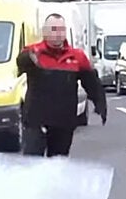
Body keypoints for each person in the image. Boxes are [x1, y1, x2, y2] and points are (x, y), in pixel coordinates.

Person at [17, 13, 107, 157]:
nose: (58, 34)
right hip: (36, 120)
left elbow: (91, 83)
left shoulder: (77, 56)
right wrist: (28, 59)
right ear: (45, 32)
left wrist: (100, 103)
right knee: (32, 162)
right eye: (53, 29)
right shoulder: (33, 52)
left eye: (61, 30)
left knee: (58, 162)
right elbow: (21, 63)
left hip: (63, 121)